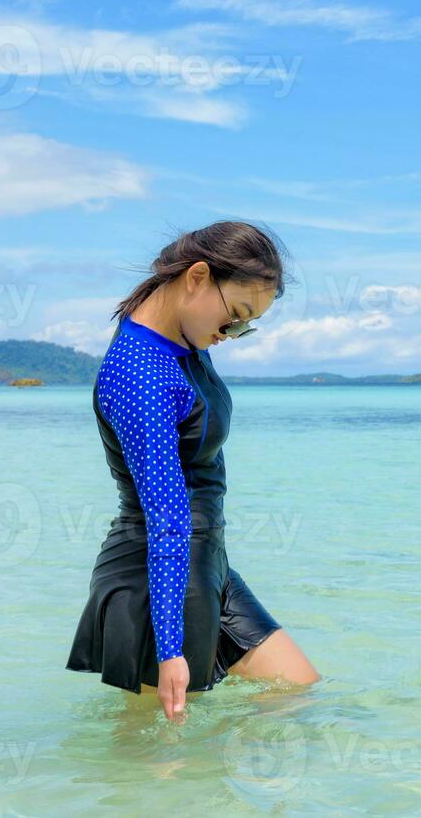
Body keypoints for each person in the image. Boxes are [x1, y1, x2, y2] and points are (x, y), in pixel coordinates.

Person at [66, 220, 319, 722]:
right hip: (156, 579)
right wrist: (170, 648)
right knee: (158, 759)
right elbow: (166, 519)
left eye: (246, 326)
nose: (231, 335)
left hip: (205, 566)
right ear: (197, 277)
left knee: (296, 691)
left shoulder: (180, 337)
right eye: (235, 317)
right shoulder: (139, 375)